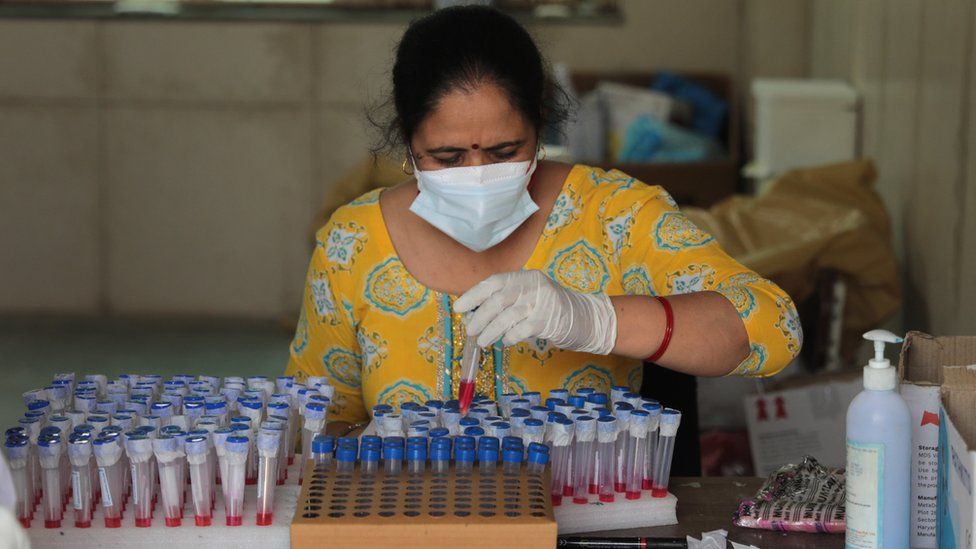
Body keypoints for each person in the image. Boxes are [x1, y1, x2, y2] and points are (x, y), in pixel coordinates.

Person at [285, 6, 802, 432]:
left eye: (505, 150)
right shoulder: (352, 242)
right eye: (446, 158)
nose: (478, 173)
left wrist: (595, 319)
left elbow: (773, 329)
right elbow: (314, 424)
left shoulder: (612, 215)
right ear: (407, 142)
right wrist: (361, 449)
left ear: (540, 125)